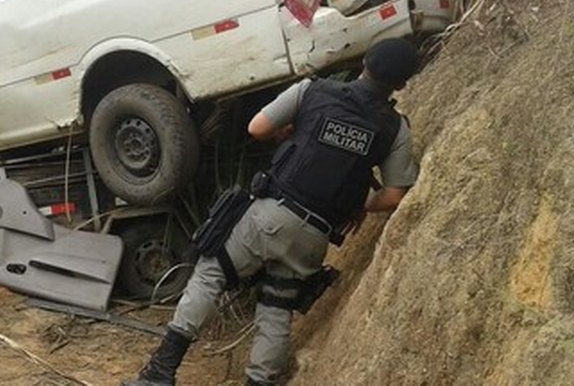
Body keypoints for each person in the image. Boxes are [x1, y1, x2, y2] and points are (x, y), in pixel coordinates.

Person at [123, 37, 423, 386]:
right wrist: (358, 204)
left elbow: (257, 127)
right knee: (277, 308)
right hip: (315, 236)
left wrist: (286, 131)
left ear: (364, 63)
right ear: (402, 83)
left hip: (269, 216)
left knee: (211, 273)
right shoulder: (395, 128)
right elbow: (394, 195)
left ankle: (159, 373)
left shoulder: (313, 90)